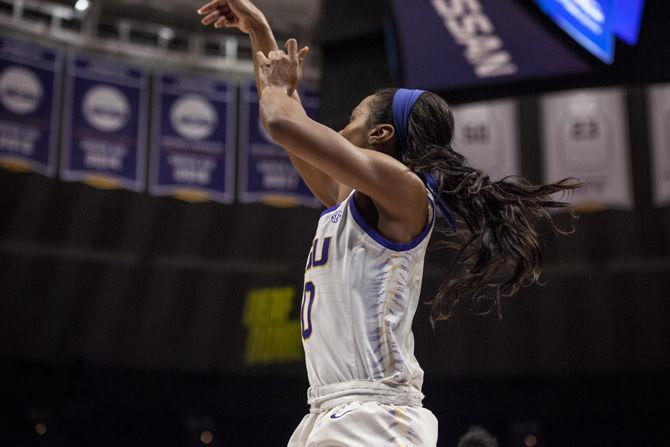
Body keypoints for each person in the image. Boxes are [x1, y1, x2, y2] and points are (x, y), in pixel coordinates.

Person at [198, 1, 579, 445]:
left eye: (353, 118)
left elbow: (282, 120)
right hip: (331, 410)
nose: (341, 127)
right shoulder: (352, 197)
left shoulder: (403, 188)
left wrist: (280, 87)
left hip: (375, 415)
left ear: (381, 135)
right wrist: (258, 30)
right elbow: (292, 126)